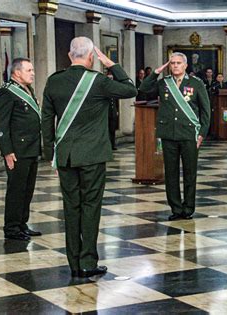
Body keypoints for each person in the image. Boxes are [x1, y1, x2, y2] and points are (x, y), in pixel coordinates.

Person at [42, 37, 137, 278]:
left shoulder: (54, 81)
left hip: (65, 156)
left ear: (69, 55)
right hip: (92, 155)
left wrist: (52, 154)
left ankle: (74, 262)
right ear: (92, 57)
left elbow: (46, 120)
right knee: (91, 206)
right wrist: (111, 64)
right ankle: (87, 261)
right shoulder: (99, 81)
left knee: (71, 208)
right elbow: (130, 89)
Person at [140, 52, 211, 221]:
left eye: (179, 63)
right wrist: (156, 72)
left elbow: (205, 111)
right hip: (169, 134)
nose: (175, 66)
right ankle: (176, 208)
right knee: (171, 174)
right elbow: (143, 89)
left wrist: (201, 134)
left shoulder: (196, 84)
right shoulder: (164, 83)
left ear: (186, 65)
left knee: (189, 173)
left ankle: (188, 208)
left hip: (188, 134)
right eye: (172, 63)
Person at [0, 58, 42, 241]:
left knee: (27, 190)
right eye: (29, 70)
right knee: (16, 190)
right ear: (17, 72)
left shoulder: (26, 89)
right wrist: (6, 151)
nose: (33, 73)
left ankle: (22, 224)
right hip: (17, 151)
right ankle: (12, 228)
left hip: (30, 148)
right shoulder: (6, 92)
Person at [106, 70, 119, 150]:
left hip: (113, 111)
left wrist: (116, 110)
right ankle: (107, 145)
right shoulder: (105, 87)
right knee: (107, 130)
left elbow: (116, 101)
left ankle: (113, 144)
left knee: (112, 129)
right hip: (107, 112)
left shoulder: (114, 87)